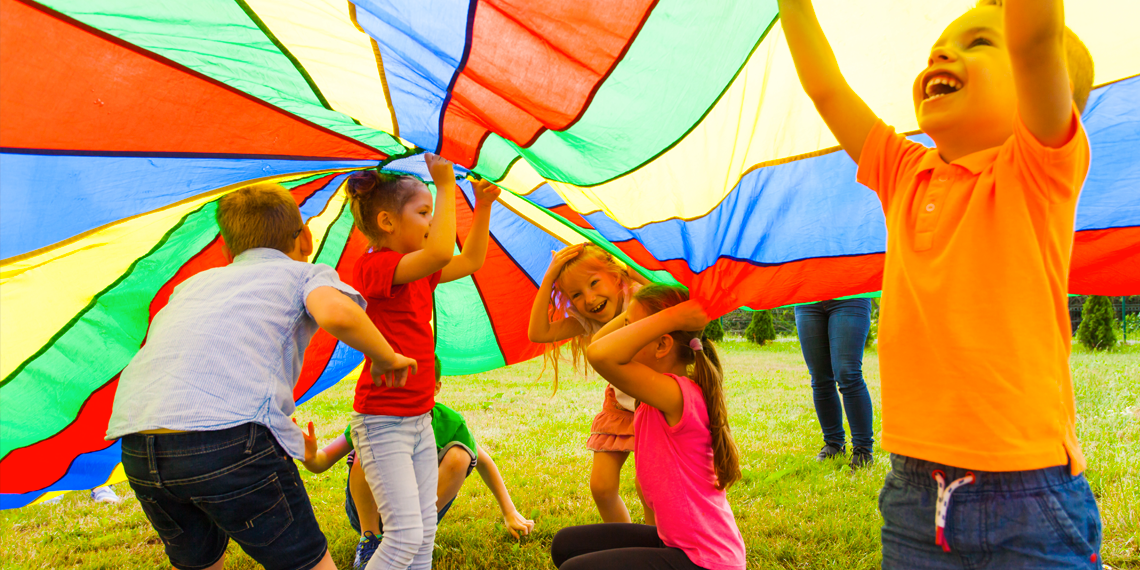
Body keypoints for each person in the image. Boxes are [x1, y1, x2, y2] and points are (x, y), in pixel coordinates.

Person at [778, 0, 1100, 567]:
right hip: (913, 494)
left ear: (1043, 87)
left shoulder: (1038, 169)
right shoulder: (904, 172)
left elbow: (1035, 37)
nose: (941, 51)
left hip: (1029, 495)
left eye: (978, 42)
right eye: (941, 45)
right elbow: (826, 88)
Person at [105, 183, 416, 570]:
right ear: (305, 238)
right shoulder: (304, 274)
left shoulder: (192, 284)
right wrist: (386, 357)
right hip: (228, 440)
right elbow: (336, 313)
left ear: (226, 248)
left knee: (198, 563)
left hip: (141, 446)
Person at [345, 154, 499, 570]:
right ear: (388, 222)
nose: (432, 220)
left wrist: (481, 208)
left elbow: (468, 261)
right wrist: (447, 187)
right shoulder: (376, 266)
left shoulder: (416, 270)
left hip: (418, 416)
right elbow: (438, 254)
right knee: (404, 535)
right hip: (383, 420)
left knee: (425, 529)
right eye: (424, 211)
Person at [551, 284, 745, 570]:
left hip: (704, 561)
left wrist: (674, 317)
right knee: (566, 545)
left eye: (631, 328)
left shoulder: (678, 395)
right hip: (675, 543)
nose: (623, 334)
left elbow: (600, 353)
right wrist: (643, 310)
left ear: (662, 345)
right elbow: (602, 343)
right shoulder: (654, 389)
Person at [297, 360, 534, 569]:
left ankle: (414, 538)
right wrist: (310, 456)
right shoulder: (375, 419)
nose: (407, 393)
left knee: (461, 455)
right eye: (400, 384)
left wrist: (509, 511)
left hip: (418, 514)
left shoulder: (449, 424)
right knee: (366, 450)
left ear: (436, 388)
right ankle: (369, 541)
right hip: (371, 513)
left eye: (417, 385)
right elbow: (322, 462)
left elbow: (483, 461)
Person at [528, 243, 649, 524]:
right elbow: (537, 332)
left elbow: (670, 291)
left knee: (649, 488)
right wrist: (549, 278)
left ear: (617, 276)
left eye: (594, 283)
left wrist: (631, 266)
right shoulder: (587, 321)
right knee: (602, 487)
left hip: (655, 406)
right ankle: (625, 546)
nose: (590, 298)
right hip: (620, 405)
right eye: (577, 295)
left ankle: (656, 549)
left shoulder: (641, 299)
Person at [793, 298, 874, 468]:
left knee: (847, 373)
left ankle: (863, 449)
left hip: (850, 295)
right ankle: (833, 443)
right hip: (808, 298)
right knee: (820, 377)